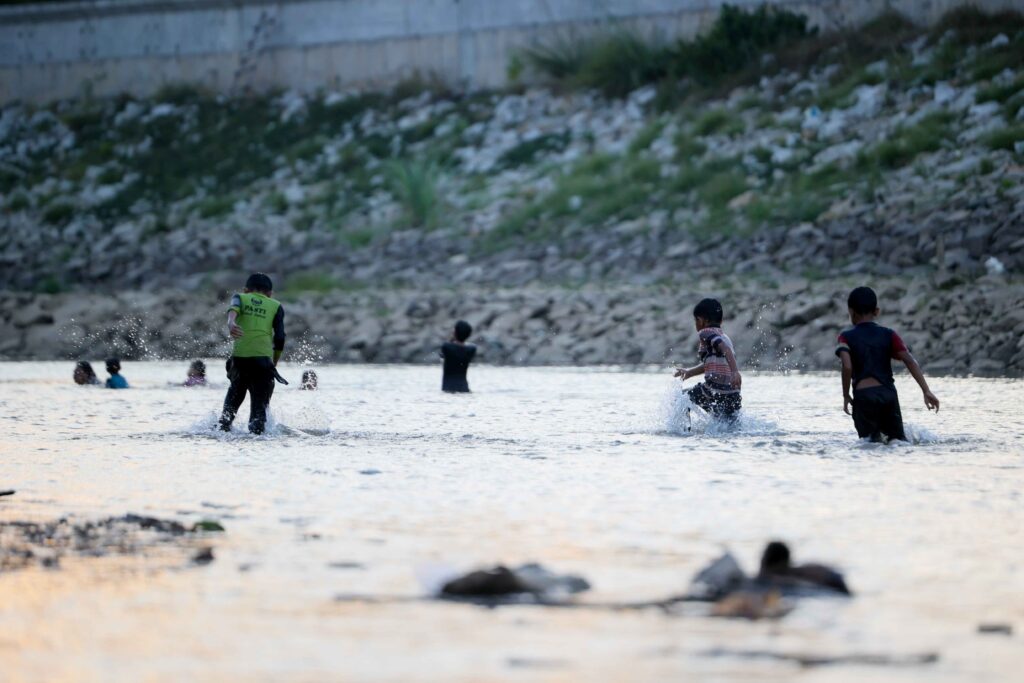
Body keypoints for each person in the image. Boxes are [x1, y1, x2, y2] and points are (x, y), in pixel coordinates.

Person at [836, 286, 939, 443]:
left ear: (851, 311)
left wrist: (845, 395)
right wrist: (926, 390)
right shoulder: (889, 334)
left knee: (869, 443)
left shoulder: (845, 337)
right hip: (887, 394)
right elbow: (909, 360)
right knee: (898, 441)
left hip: (864, 397)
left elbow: (847, 366)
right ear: (877, 311)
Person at [219, 273, 286, 434]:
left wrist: (231, 322)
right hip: (263, 361)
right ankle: (256, 443)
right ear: (270, 293)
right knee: (258, 415)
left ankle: (223, 429)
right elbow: (280, 337)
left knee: (230, 409)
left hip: (239, 361)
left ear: (246, 290)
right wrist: (275, 361)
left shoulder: (240, 297)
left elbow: (233, 308)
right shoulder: (276, 306)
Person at [674, 298, 742, 420]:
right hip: (732, 393)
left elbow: (725, 349)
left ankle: (684, 432)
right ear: (721, 320)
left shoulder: (704, 333)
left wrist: (735, 372)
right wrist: (690, 372)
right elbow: (712, 364)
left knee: (682, 398)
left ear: (701, 321)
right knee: (727, 426)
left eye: (696, 320)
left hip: (713, 390)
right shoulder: (724, 337)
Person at [440, 320, 476, 393]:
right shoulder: (471, 349)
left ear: (455, 333)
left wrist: (454, 337)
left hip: (448, 388)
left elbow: (448, 344)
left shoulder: (447, 347)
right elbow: (469, 345)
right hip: (464, 388)